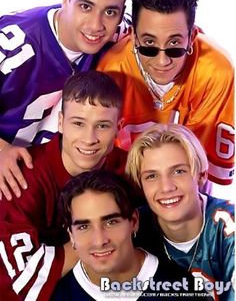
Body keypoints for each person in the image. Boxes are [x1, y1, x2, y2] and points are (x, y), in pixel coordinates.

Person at [0, 0, 133, 199]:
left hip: (63, 190)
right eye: (85, 6)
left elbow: (175, 31)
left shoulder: (124, 35)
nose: (96, 25)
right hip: (11, 185)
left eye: (110, 12)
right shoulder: (12, 42)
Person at [0, 70, 128, 301]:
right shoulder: (20, 177)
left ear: (119, 126)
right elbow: (17, 281)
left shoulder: (129, 169)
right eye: (78, 123)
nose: (89, 138)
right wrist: (91, 242)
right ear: (60, 122)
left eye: (102, 126)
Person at [97, 0, 235, 187]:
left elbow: (202, 173)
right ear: (134, 37)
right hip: (126, 184)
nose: (162, 61)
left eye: (174, 44)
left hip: (186, 186)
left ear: (192, 37)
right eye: (149, 44)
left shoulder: (214, 71)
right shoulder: (112, 70)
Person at [52, 169, 211, 301]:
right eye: (84, 227)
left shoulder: (182, 291)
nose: (99, 240)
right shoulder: (53, 293)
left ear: (133, 221)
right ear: (71, 235)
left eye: (111, 222)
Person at [125, 123, 235, 301]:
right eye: (152, 176)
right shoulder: (132, 228)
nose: (166, 187)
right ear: (140, 184)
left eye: (178, 171)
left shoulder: (229, 228)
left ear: (201, 174)